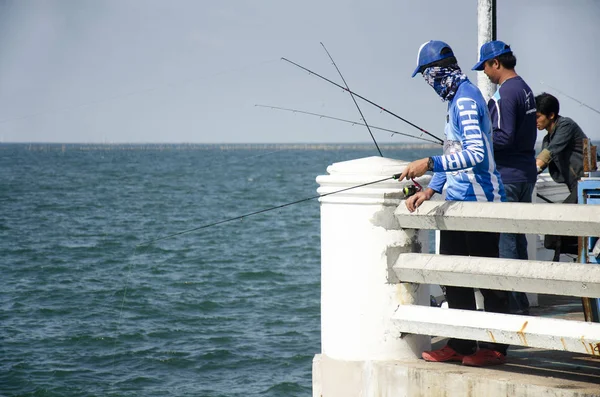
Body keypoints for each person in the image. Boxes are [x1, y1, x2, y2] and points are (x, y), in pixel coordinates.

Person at [398, 40, 509, 367]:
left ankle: (497, 348)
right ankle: (462, 344)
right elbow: (453, 153)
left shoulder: (464, 102)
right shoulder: (455, 100)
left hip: (480, 203)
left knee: (487, 279)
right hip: (457, 201)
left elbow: (476, 154)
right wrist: (432, 189)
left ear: (440, 70)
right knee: (454, 276)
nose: (428, 83)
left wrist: (428, 164)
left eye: (427, 75)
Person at [472, 41, 537, 315]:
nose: (485, 72)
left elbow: (504, 136)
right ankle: (520, 304)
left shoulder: (505, 94)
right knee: (518, 241)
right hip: (525, 174)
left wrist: (478, 141)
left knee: (506, 244)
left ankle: (513, 309)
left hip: (508, 177)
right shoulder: (525, 89)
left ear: (496, 63)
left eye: (486, 66)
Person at [535, 92, 588, 201]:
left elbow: (550, 152)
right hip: (575, 186)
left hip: (586, 183)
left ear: (551, 115)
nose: (534, 121)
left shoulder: (566, 125)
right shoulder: (547, 139)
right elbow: (541, 163)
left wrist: (532, 169)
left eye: (538, 117)